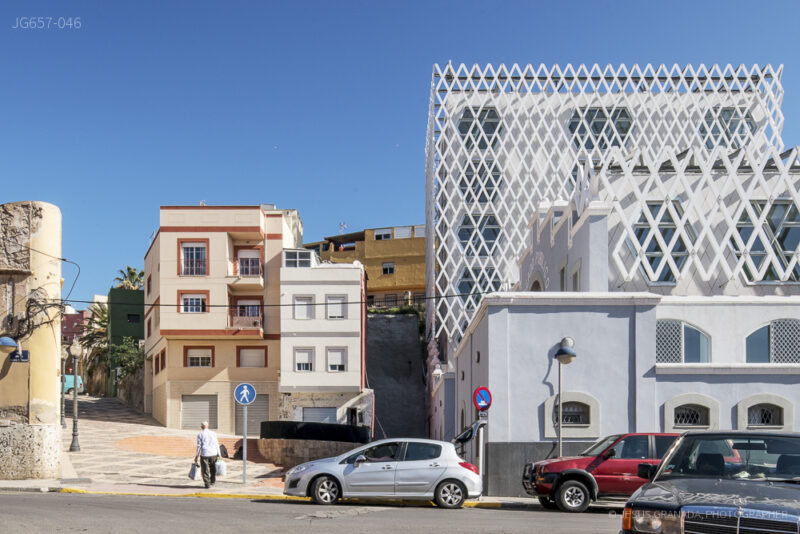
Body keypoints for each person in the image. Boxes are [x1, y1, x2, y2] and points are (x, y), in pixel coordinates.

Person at [194, 421, 220, 488]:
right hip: (213, 453)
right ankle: (213, 481)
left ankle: (207, 484)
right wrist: (219, 453)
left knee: (205, 469)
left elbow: (199, 446)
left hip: (205, 454)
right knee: (213, 468)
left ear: (202, 427)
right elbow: (216, 443)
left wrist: (196, 456)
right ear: (208, 426)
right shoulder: (213, 433)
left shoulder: (200, 434)